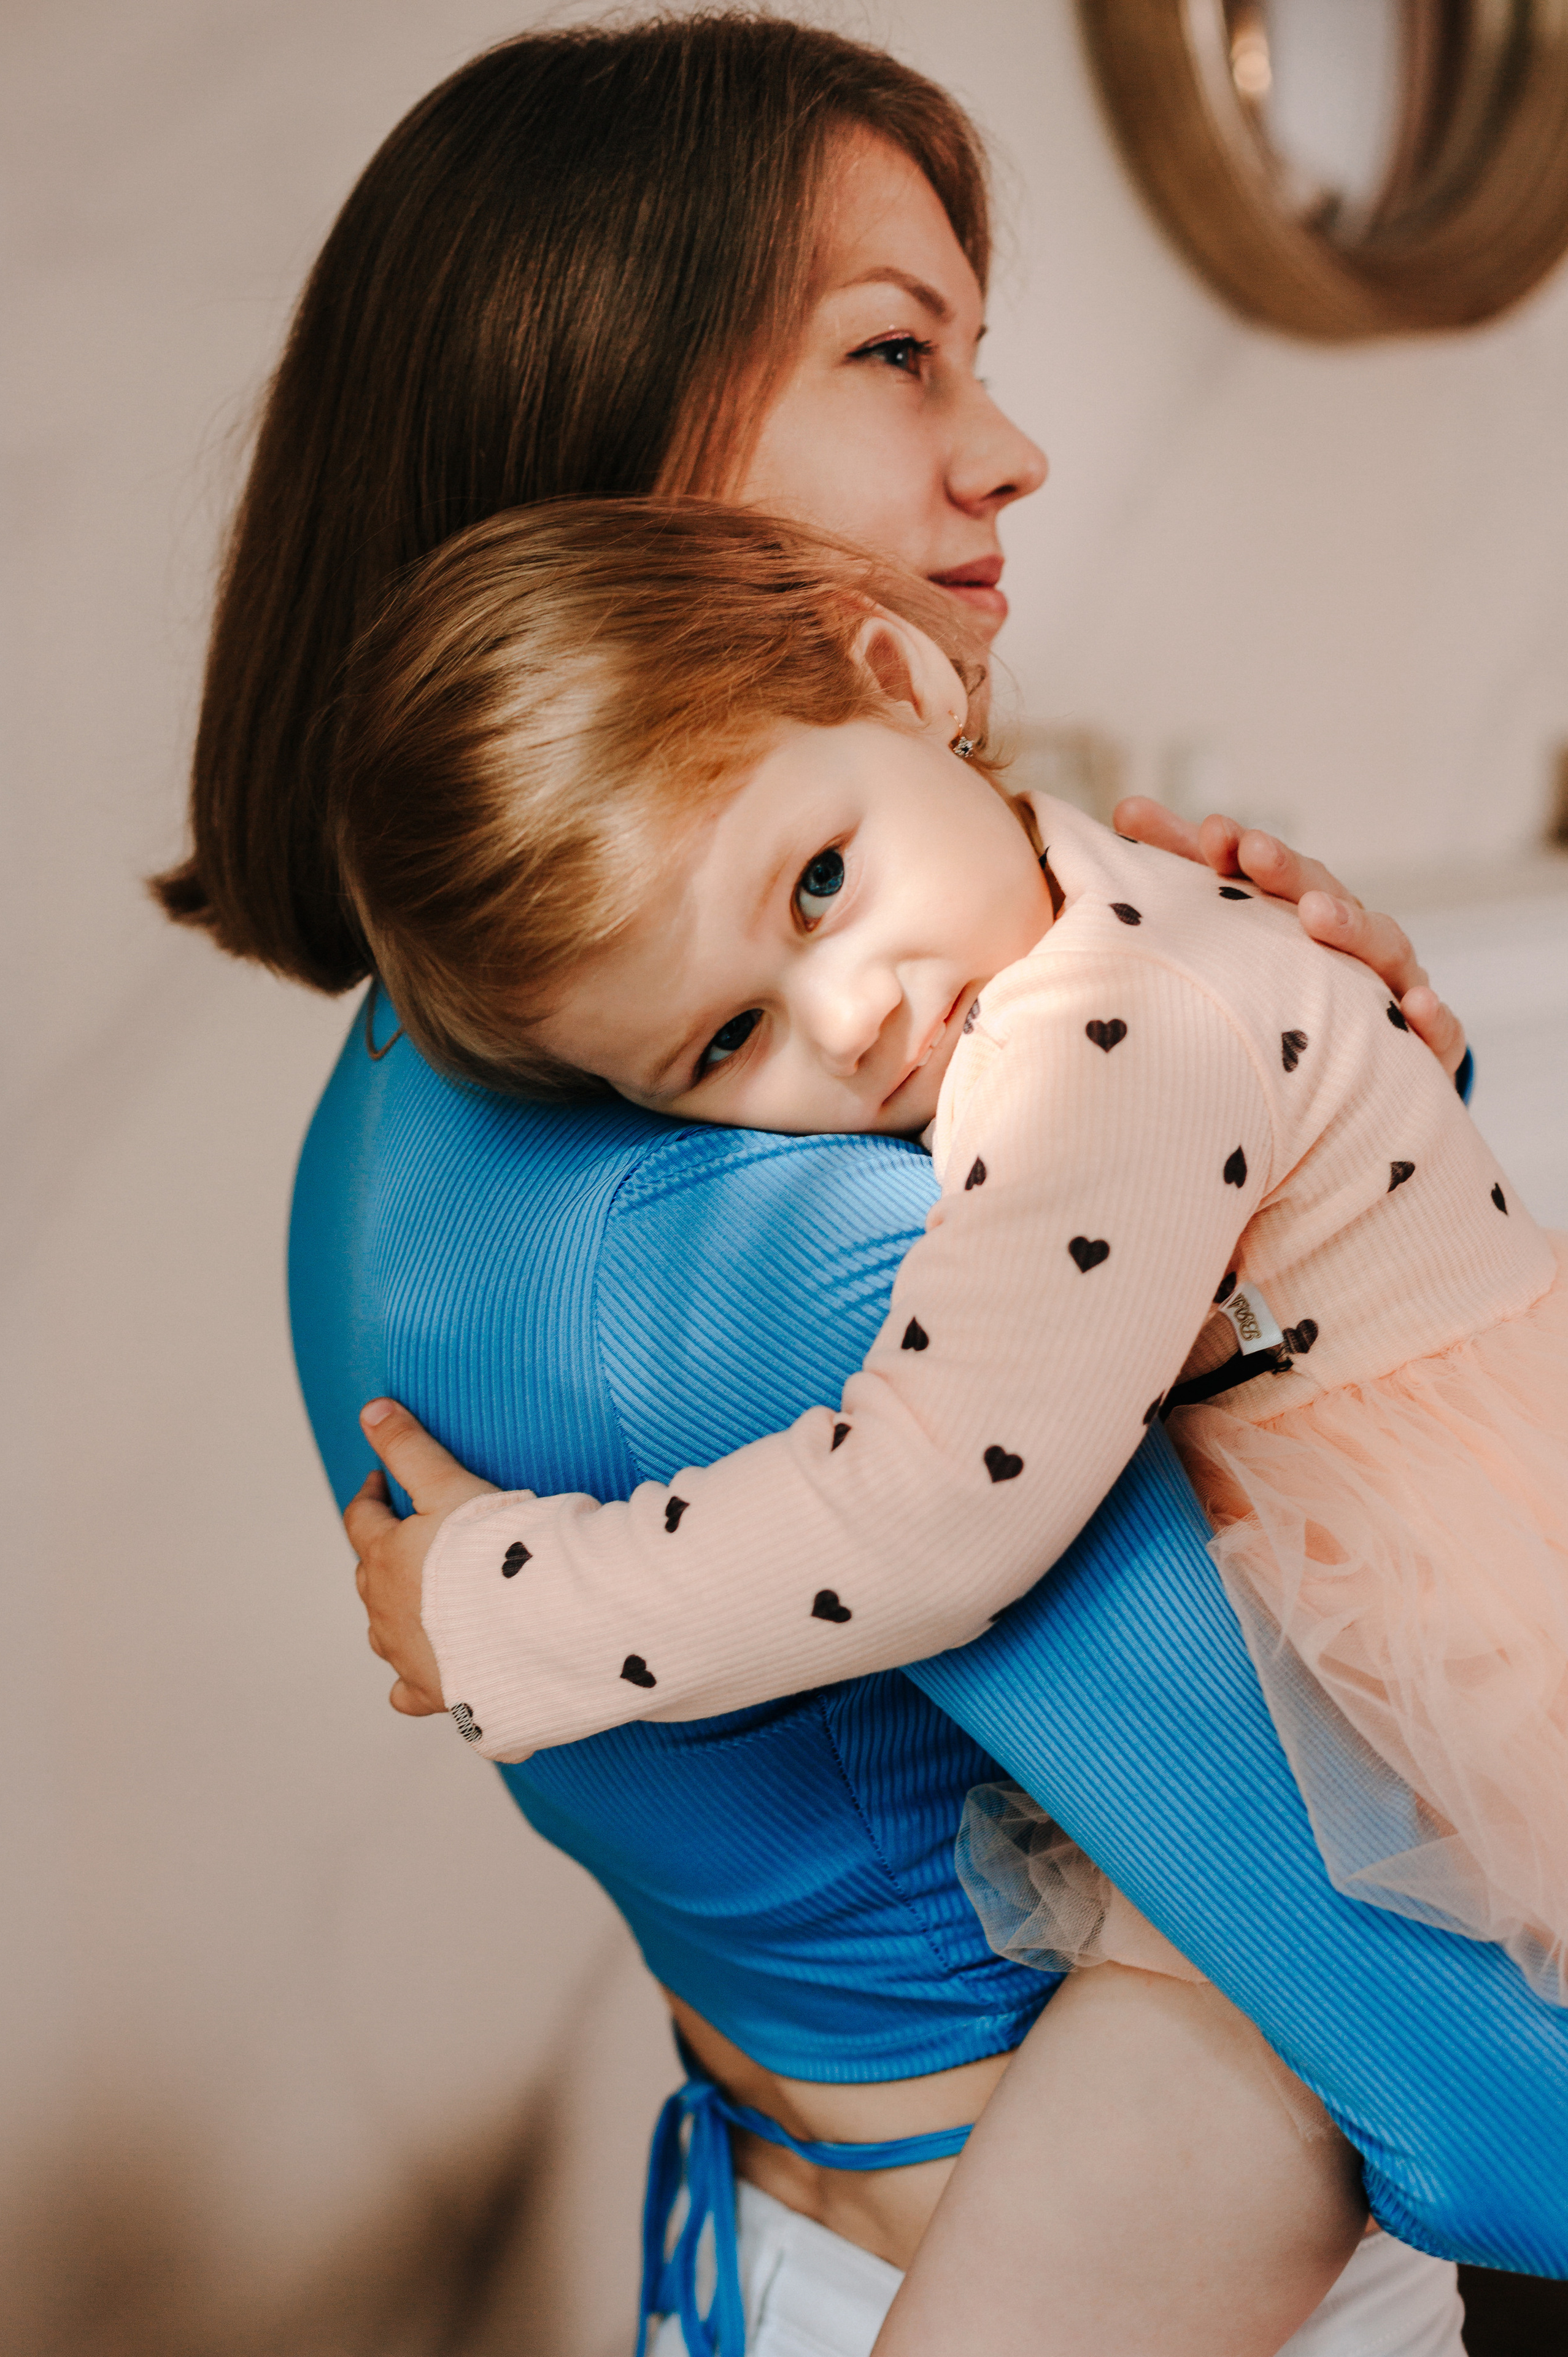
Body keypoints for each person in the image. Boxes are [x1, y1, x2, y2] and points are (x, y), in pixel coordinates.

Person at [150, 17, 1562, 2354]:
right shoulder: (789, 1260)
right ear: (607, 435)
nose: (1003, 451)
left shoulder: (438, 1083)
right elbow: (1461, 2076)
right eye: (897, 354)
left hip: (796, 2218)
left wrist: (1316, 1082)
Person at [328, 494, 1567, 2348]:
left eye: (819, 881)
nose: (854, 1015)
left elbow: (937, 1514)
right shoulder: (1060, 918)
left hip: (1442, 1667)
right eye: (724, 1048)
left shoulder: (1112, 1035)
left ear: (901, 678)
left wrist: (508, 1609)